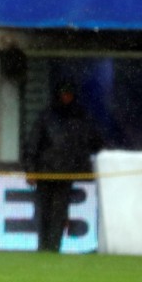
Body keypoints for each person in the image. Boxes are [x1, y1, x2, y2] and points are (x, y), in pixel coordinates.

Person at [22, 81, 104, 252]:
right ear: (58, 95)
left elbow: (91, 142)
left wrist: (85, 162)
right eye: (64, 94)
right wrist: (30, 170)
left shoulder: (79, 118)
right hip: (45, 173)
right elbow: (32, 145)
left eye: (70, 94)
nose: (67, 97)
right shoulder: (46, 117)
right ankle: (43, 247)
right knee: (44, 212)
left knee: (59, 215)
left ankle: (53, 248)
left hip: (66, 173)